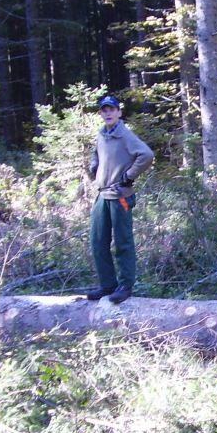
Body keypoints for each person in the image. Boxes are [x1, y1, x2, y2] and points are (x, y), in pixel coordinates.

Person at [86, 95, 154, 304]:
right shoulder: (102, 134)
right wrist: (94, 166)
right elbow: (96, 153)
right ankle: (108, 285)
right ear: (101, 113)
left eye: (111, 110)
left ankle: (125, 286)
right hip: (102, 195)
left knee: (123, 242)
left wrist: (129, 176)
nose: (108, 113)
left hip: (120, 196)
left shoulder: (125, 135)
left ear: (119, 112)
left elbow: (146, 155)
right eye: (104, 110)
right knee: (98, 241)